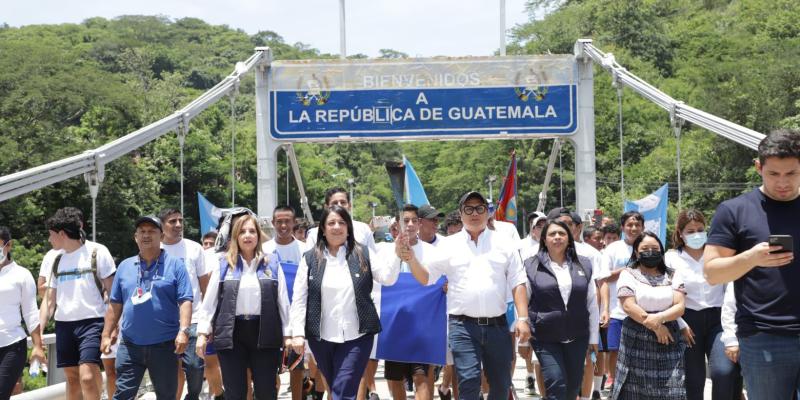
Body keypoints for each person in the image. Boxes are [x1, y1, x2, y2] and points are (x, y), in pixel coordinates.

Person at [401, 191, 531, 400]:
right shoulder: (448, 245)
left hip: (497, 325)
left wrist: (523, 319)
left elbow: (518, 281)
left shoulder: (504, 243)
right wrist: (411, 260)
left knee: (500, 384)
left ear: (488, 213)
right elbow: (426, 278)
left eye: (479, 208)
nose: (474, 214)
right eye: (468, 209)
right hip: (462, 326)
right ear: (461, 214)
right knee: (468, 382)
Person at [704, 129, 800, 399]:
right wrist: (751, 258)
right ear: (759, 167)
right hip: (763, 336)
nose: (783, 182)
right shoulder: (734, 210)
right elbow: (711, 272)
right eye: (773, 174)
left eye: (791, 173)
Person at [289, 205, 400, 400]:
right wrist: (297, 333)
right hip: (320, 337)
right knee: (335, 388)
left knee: (343, 390)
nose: (337, 227)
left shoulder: (363, 253)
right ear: (323, 229)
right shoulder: (310, 259)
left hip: (357, 335)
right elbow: (299, 297)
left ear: (348, 228)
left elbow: (387, 278)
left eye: (342, 222)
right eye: (331, 223)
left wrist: (398, 253)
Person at [196, 213, 290, 400]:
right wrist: (202, 333)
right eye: (242, 232)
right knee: (235, 392)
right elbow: (210, 302)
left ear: (258, 235)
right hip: (231, 334)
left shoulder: (272, 262)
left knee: (266, 391)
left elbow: (283, 302)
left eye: (252, 231)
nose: (247, 235)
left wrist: (288, 335)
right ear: (235, 237)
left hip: (265, 333)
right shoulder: (223, 265)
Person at [101, 215, 193, 400]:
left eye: (151, 231)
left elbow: (185, 300)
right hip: (130, 344)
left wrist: (184, 331)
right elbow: (115, 304)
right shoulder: (125, 266)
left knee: (167, 396)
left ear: (161, 236)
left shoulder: (175, 265)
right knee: (122, 395)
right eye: (142, 231)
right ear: (135, 237)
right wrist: (106, 334)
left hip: (165, 345)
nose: (146, 235)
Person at [40, 209, 116, 400]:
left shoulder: (98, 252)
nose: (49, 240)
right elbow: (49, 300)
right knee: (73, 380)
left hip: (92, 322)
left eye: (51, 235)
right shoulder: (56, 259)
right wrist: (38, 331)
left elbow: (114, 294)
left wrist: (112, 328)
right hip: (64, 325)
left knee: (88, 377)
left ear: (62, 234)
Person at [664, 209, 740, 400]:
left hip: (718, 319)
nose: (696, 234)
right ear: (680, 233)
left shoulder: (717, 255)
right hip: (687, 322)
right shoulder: (671, 258)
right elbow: (668, 295)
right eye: (690, 231)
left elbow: (728, 289)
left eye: (700, 229)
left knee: (724, 372)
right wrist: (680, 324)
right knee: (693, 380)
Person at [519, 219, 598, 400]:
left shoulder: (583, 264)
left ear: (569, 239)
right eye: (552, 234)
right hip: (545, 336)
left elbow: (592, 303)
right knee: (556, 382)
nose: (557, 237)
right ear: (544, 240)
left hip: (578, 335)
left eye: (562, 234)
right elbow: (524, 301)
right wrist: (522, 342)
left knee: (572, 387)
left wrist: (593, 337)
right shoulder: (530, 266)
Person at [611, 231, 686, 400]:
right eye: (645, 248)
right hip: (636, 337)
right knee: (634, 389)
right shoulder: (628, 274)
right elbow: (628, 305)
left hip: (669, 337)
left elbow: (680, 306)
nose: (650, 252)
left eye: (655, 248)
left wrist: (659, 320)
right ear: (636, 252)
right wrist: (656, 326)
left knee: (672, 388)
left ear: (661, 250)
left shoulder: (672, 274)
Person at [381, 205, 440, 400]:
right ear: (398, 224)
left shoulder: (431, 251)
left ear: (420, 223)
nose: (410, 224)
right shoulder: (385, 251)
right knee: (395, 379)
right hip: (395, 323)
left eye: (414, 220)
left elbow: (431, 280)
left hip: (422, 324)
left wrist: (412, 259)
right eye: (406, 220)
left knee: (421, 376)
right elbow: (384, 280)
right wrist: (398, 255)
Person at [156, 208, 209, 400]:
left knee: (195, 365)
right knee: (169, 367)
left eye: (180, 220)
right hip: (164, 321)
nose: (178, 225)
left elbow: (205, 286)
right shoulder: (154, 249)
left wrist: (209, 318)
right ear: (162, 225)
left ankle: (193, 396)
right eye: (172, 221)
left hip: (194, 317)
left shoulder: (194, 248)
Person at [263, 205, 308, 400]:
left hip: (297, 315)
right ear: (273, 223)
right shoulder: (263, 250)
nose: (283, 225)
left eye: (287, 221)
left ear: (294, 222)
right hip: (270, 316)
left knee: (296, 365)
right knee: (270, 368)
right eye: (279, 221)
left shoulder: (306, 250)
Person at [0, 227, 46, 399]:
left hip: (11, 345)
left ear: (8, 245)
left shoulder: (21, 275)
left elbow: (30, 313)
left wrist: (37, 346)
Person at [600, 211, 643, 390]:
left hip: (643, 310)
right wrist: (605, 309)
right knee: (615, 349)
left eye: (637, 225)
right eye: (629, 225)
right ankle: (615, 382)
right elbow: (604, 278)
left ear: (643, 227)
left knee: (641, 352)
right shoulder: (613, 249)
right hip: (617, 310)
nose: (633, 228)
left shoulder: (649, 245)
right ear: (623, 227)